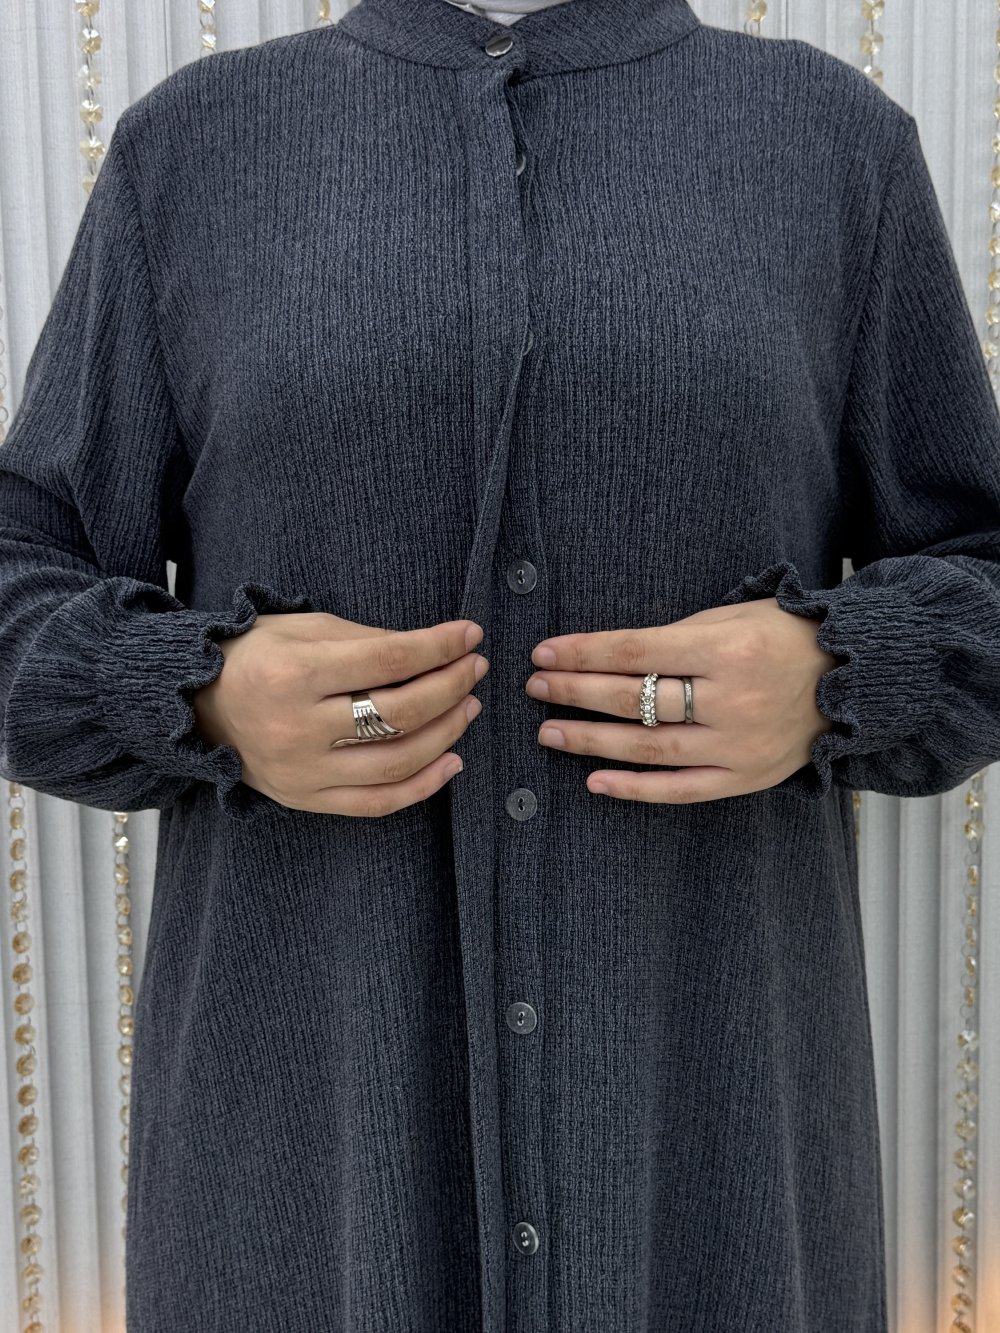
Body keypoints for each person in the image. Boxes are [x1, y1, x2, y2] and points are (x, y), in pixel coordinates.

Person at [0, 0, 997, 1328]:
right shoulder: (191, 150)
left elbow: (983, 563)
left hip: (713, 1156)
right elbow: (24, 573)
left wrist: (842, 664)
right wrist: (196, 689)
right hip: (306, 1168)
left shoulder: (833, 147)